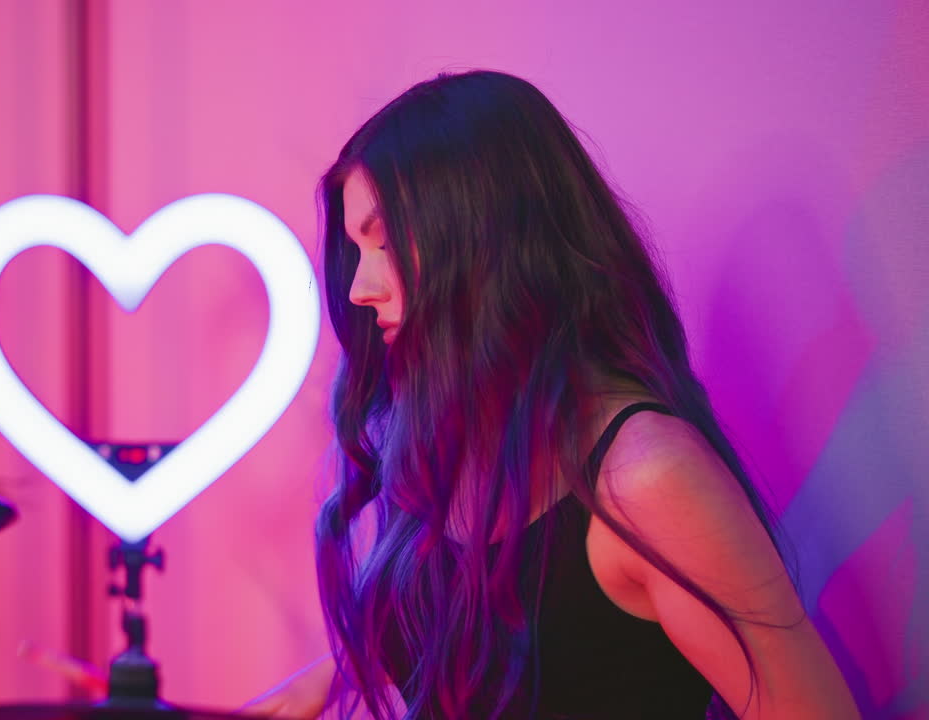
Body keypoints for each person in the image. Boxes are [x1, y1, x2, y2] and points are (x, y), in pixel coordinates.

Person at [246, 71, 858, 719]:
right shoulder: (457, 448)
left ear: (485, 237)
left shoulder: (643, 476)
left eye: (386, 241)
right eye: (356, 248)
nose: (358, 290)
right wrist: (321, 684)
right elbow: (487, 635)